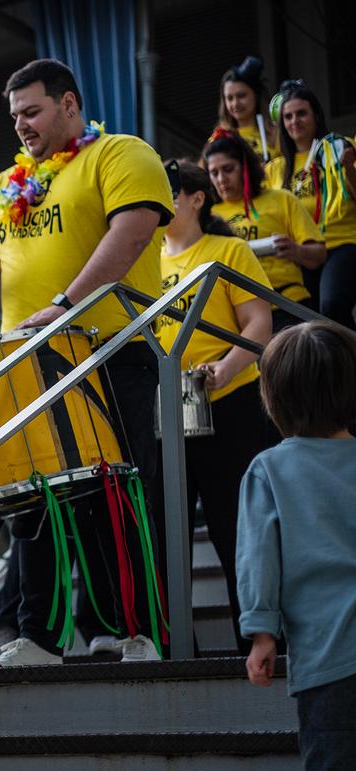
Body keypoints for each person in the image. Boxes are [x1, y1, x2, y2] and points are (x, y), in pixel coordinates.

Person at [0, 58, 173, 666]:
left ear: (69, 104)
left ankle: (134, 630)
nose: (21, 124)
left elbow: (134, 230)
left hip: (110, 347)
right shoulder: (2, 184)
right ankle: (39, 639)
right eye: (14, 114)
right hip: (29, 362)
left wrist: (66, 306)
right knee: (35, 499)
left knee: (118, 492)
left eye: (33, 111)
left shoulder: (121, 154)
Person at [160, 159, 275, 652]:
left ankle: (258, 641)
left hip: (230, 406)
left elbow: (258, 321)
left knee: (236, 532)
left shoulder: (226, 250)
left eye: (166, 193)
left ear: (195, 198)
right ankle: (177, 649)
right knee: (168, 538)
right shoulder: (145, 262)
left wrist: (225, 368)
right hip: (167, 414)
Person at [237, 321, 356, 771]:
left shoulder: (268, 470)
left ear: (274, 399)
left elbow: (258, 557)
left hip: (329, 663)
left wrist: (262, 633)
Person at [203, 129, 324, 330]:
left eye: (228, 169)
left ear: (245, 167)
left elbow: (319, 255)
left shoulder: (282, 199)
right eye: (214, 173)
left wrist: (296, 250)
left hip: (288, 304)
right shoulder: (208, 215)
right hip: (238, 315)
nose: (221, 179)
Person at [267, 81, 356, 328]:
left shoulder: (341, 146)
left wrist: (348, 168)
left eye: (301, 113)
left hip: (341, 242)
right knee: (309, 320)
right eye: (288, 116)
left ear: (315, 114)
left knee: (332, 306)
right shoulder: (275, 169)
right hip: (300, 252)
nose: (294, 121)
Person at [216, 56, 278, 162]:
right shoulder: (218, 138)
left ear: (256, 95)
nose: (235, 103)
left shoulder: (276, 134)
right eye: (229, 98)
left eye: (241, 95)